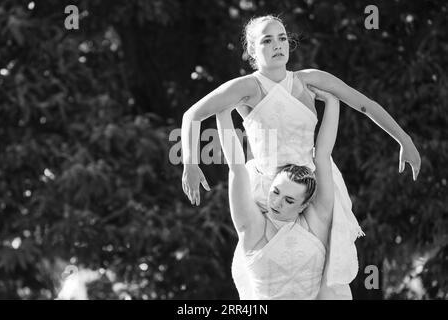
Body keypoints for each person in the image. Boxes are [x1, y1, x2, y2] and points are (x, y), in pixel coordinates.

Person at [180, 15, 421, 298]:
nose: (277, 45)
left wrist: (404, 140)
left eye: (282, 38)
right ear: (252, 50)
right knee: (275, 273)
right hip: (271, 188)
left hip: (314, 181)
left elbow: (365, 105)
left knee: (325, 276)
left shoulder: (309, 80)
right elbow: (192, 115)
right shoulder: (248, 87)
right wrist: (190, 163)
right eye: (267, 40)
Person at [215, 85, 340, 299]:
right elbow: (236, 167)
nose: (277, 203)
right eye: (275, 192)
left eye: (289, 200)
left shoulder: (317, 223)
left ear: (304, 205)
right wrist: (223, 111)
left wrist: (332, 103)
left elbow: (323, 156)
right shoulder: (254, 227)